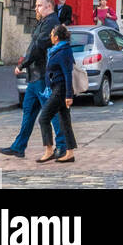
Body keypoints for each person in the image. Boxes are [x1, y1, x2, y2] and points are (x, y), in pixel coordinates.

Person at [0, 0, 65, 160]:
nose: (36, 8)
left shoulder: (51, 22)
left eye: (39, 5)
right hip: (35, 76)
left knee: (51, 113)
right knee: (28, 113)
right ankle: (19, 147)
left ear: (49, 6)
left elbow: (38, 47)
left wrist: (22, 65)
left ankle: (62, 146)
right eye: (36, 6)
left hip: (43, 76)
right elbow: (34, 45)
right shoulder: (43, 22)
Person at [36, 24, 77, 163]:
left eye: (52, 34)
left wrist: (69, 95)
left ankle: (48, 150)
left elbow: (68, 74)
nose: (50, 36)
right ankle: (70, 153)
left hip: (61, 90)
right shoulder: (56, 50)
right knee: (65, 121)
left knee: (44, 118)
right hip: (56, 88)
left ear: (57, 37)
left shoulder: (64, 51)